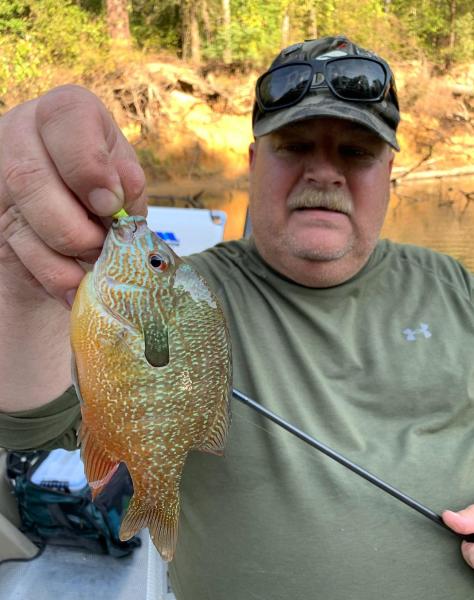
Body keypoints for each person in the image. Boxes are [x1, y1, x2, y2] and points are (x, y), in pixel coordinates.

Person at [0, 35, 473, 599]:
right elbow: (30, 426)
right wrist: (17, 280)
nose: (324, 173)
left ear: (390, 170)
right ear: (252, 162)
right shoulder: (189, 290)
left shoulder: (455, 286)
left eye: (356, 151)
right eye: (295, 146)